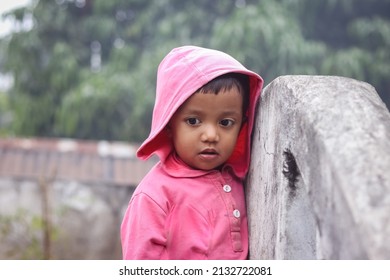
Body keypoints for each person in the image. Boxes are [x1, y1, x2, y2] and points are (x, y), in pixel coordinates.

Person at [121, 45, 263, 259]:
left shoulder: (238, 177)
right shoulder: (154, 197)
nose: (211, 135)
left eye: (226, 122)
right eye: (193, 121)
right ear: (169, 125)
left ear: (243, 124)